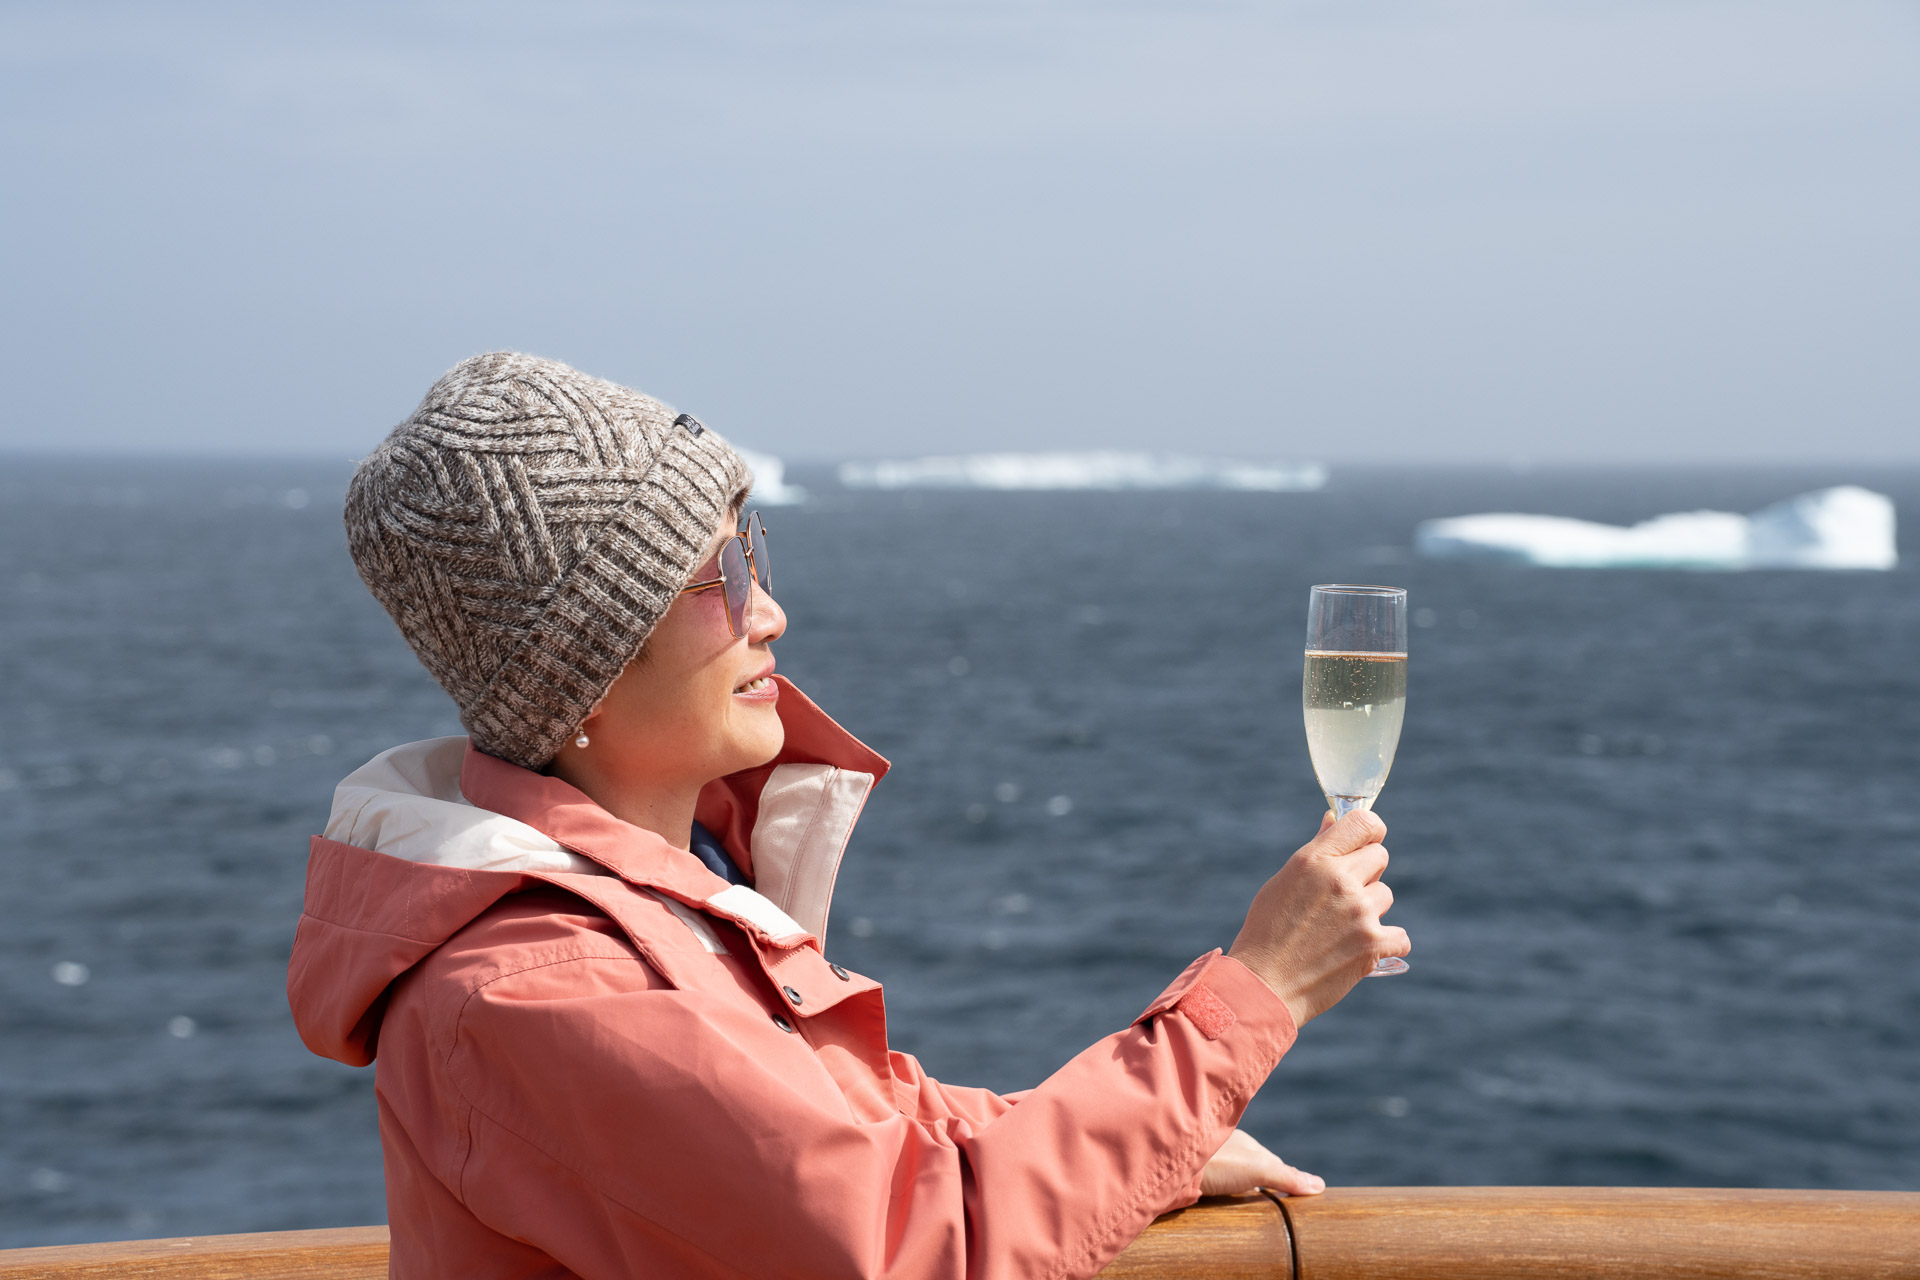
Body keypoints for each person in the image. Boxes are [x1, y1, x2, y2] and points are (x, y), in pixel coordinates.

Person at [288, 351, 1408, 1279]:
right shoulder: (540, 987)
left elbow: (859, 1134)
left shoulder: (649, 904)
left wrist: (1148, 1148)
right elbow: (907, 1241)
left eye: (755, 549)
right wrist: (1263, 986)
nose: (769, 608)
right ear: (580, 666)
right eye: (719, 574)